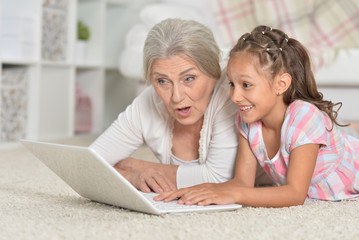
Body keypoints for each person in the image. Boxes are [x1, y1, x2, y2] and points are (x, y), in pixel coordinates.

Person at [155, 25, 359, 207]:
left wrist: (236, 195)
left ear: (281, 84)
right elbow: (242, 183)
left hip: (354, 166)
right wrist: (198, 190)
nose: (235, 97)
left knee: (348, 133)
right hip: (326, 142)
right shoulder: (248, 121)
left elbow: (295, 194)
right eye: (232, 84)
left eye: (246, 85)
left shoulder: (304, 117)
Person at [90, 18, 247, 194]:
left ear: (214, 71)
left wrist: (138, 166)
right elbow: (90, 163)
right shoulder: (150, 100)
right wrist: (131, 178)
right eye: (162, 81)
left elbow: (219, 179)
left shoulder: (233, 89)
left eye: (189, 78)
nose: (176, 97)